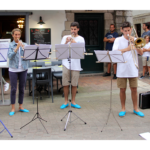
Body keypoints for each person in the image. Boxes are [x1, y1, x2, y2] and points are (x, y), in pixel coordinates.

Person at [112, 22, 144, 117]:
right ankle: (123, 108)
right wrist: (127, 48)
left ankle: (135, 108)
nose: (127, 32)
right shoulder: (118, 40)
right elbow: (114, 52)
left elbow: (141, 53)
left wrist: (135, 43)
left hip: (133, 68)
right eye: (125, 31)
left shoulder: (135, 39)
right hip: (121, 68)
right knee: (122, 89)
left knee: (134, 89)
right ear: (122, 30)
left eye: (128, 30)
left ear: (131, 29)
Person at [60, 22, 85, 109]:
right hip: (66, 63)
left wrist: (75, 43)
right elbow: (60, 51)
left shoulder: (81, 39)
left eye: (75, 29)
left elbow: (83, 52)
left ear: (78, 29)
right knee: (65, 83)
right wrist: (66, 42)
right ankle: (66, 101)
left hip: (76, 64)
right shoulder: (65, 37)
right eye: (71, 29)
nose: (73, 31)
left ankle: (73, 101)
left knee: (74, 84)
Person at [8, 28, 29, 116]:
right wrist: (16, 48)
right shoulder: (10, 45)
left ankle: (20, 106)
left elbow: (28, 57)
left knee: (22, 88)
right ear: (12, 35)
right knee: (13, 89)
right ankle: (13, 107)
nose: (17, 36)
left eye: (18, 35)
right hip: (13, 69)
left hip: (23, 69)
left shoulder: (24, 44)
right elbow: (10, 56)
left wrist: (24, 49)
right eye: (15, 35)